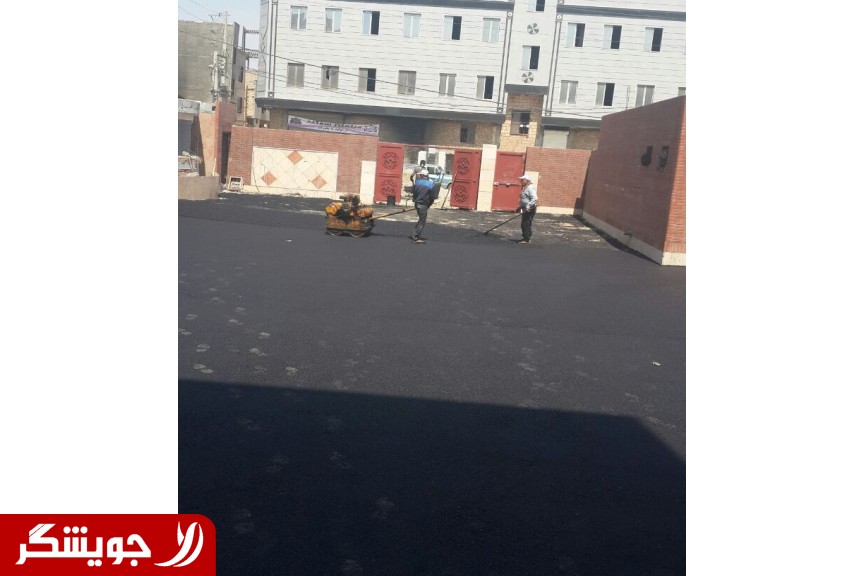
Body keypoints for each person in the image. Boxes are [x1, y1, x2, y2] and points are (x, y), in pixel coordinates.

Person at [411, 169, 438, 243]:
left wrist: (415, 200)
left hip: (417, 203)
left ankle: (415, 234)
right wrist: (429, 204)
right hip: (423, 205)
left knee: (420, 219)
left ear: (422, 175)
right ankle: (416, 237)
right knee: (422, 221)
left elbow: (414, 194)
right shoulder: (431, 184)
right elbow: (433, 197)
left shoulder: (417, 183)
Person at [516, 174, 538, 244]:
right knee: (525, 223)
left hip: (529, 209)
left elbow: (534, 198)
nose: (521, 181)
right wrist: (520, 207)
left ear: (527, 181)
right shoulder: (525, 187)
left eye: (523, 180)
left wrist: (528, 206)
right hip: (525, 208)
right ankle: (526, 237)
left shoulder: (530, 188)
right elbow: (524, 198)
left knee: (526, 223)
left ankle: (526, 239)